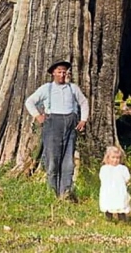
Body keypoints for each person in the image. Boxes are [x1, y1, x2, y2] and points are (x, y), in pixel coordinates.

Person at [24, 60, 89, 199]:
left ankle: (65, 192)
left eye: (64, 72)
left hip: (70, 125)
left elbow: (84, 102)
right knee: (52, 160)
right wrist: (37, 116)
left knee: (68, 161)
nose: (62, 74)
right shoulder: (47, 88)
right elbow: (29, 101)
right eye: (59, 71)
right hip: (53, 124)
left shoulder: (73, 88)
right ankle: (52, 192)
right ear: (53, 73)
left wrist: (83, 119)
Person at [99, 146, 131, 221]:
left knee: (121, 204)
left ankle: (122, 219)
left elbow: (127, 178)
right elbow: (102, 178)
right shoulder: (104, 168)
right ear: (108, 158)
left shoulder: (122, 168)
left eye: (117, 158)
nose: (115, 160)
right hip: (108, 191)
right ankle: (108, 218)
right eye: (113, 157)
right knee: (108, 204)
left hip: (119, 191)